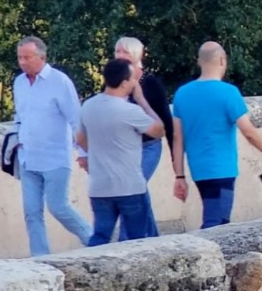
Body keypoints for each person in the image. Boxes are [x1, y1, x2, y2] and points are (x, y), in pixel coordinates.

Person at [170, 42, 262, 229]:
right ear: (222, 60)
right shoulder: (229, 93)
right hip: (222, 168)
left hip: (198, 168)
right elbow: (249, 133)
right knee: (217, 224)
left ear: (199, 62)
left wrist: (179, 176)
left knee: (214, 217)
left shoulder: (182, 94)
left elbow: (177, 138)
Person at [11, 36, 90, 256]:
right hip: (28, 157)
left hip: (55, 156)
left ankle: (94, 240)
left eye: (27, 57)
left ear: (42, 57)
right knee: (31, 212)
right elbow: (20, 116)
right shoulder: (19, 83)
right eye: (20, 57)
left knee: (58, 207)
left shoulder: (59, 81)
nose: (23, 62)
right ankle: (40, 257)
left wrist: (83, 152)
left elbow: (76, 119)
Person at [76, 58, 163, 245]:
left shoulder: (88, 106)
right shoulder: (130, 110)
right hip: (129, 186)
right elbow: (158, 130)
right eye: (133, 79)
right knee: (136, 240)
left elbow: (80, 139)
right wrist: (142, 100)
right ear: (125, 83)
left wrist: (100, 152)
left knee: (100, 235)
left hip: (100, 186)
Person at [114, 36, 174, 184]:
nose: (120, 55)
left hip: (147, 146)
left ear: (136, 55)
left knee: (135, 185)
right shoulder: (112, 81)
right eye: (117, 51)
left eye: (125, 52)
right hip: (122, 148)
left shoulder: (151, 83)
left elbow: (167, 121)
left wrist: (176, 162)